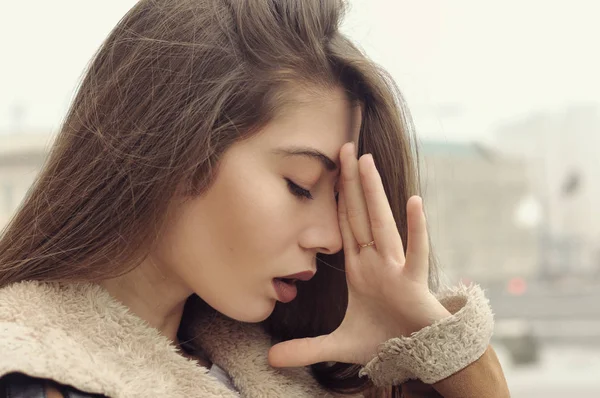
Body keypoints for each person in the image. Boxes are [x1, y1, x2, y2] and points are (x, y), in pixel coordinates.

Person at [0, 0, 509, 397]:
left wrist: (432, 350)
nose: (332, 237)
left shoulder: (287, 369)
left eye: (334, 200)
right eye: (300, 185)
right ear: (173, 148)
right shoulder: (29, 372)